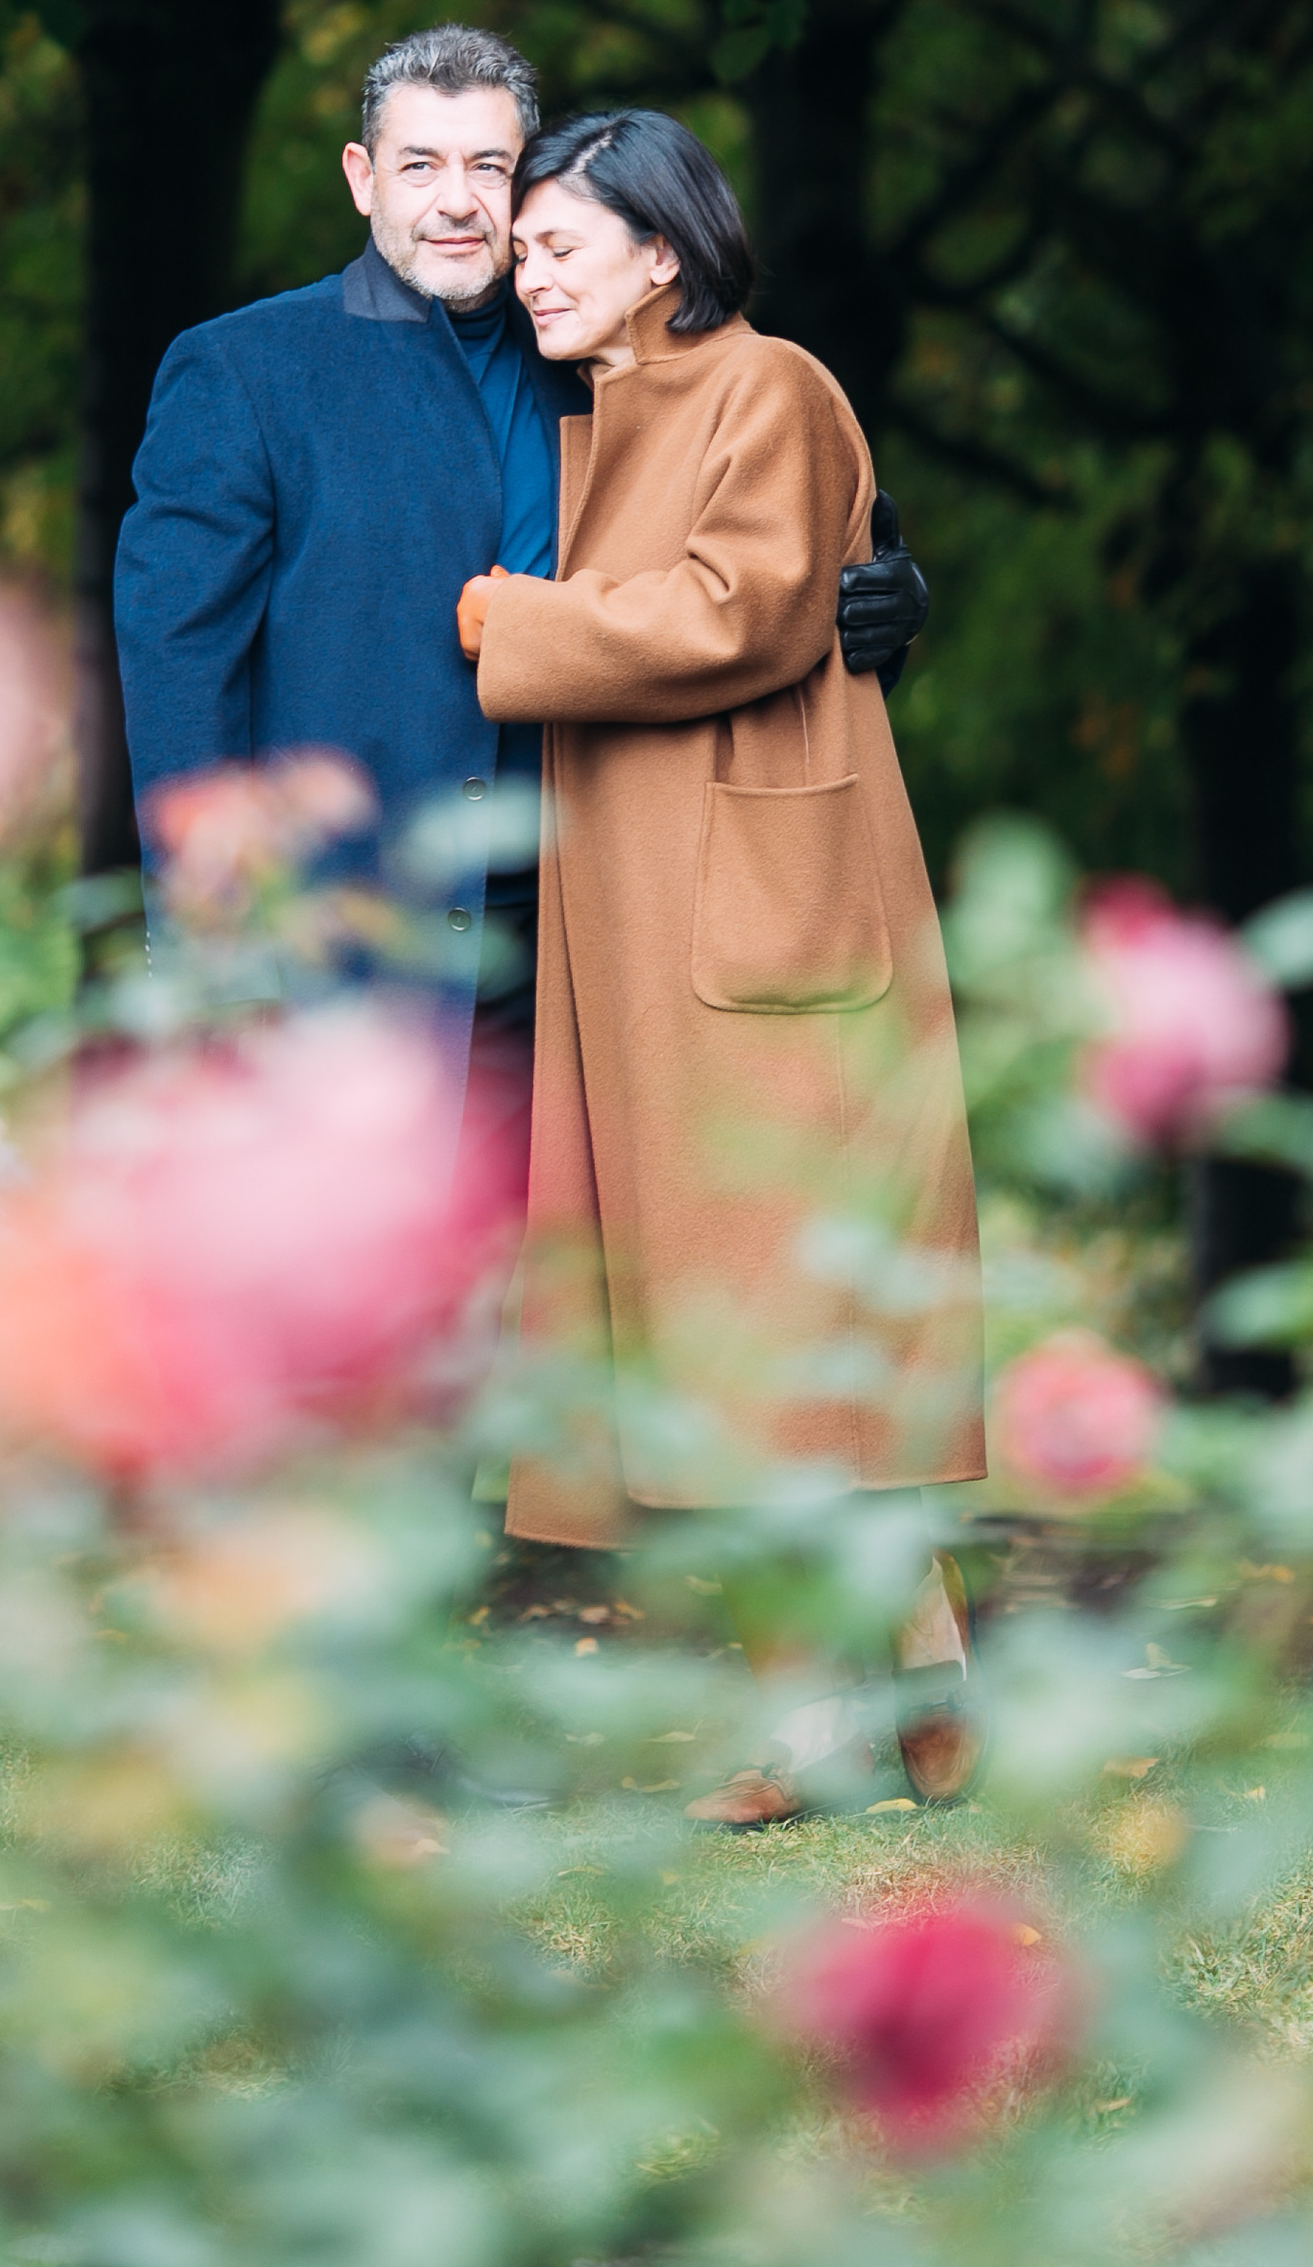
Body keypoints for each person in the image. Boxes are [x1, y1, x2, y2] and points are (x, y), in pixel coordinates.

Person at [112, 29, 931, 1140]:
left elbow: (740, 579)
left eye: (487, 168)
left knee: (567, 1304)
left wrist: (878, 602)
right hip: (345, 953)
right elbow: (177, 673)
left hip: (593, 938)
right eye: (419, 166)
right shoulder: (245, 371)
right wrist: (216, 955)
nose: (456, 202)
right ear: (362, 180)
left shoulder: (595, 354)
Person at [456, 108, 983, 1818]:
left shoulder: (769, 385)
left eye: (560, 243)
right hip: (655, 934)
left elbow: (737, 611)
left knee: (767, 1319)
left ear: (662, 253)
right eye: (522, 248)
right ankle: (922, 1683)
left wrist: (502, 621)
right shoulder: (596, 413)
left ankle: (817, 1724)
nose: (529, 269)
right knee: (737, 1325)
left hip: (765, 930)